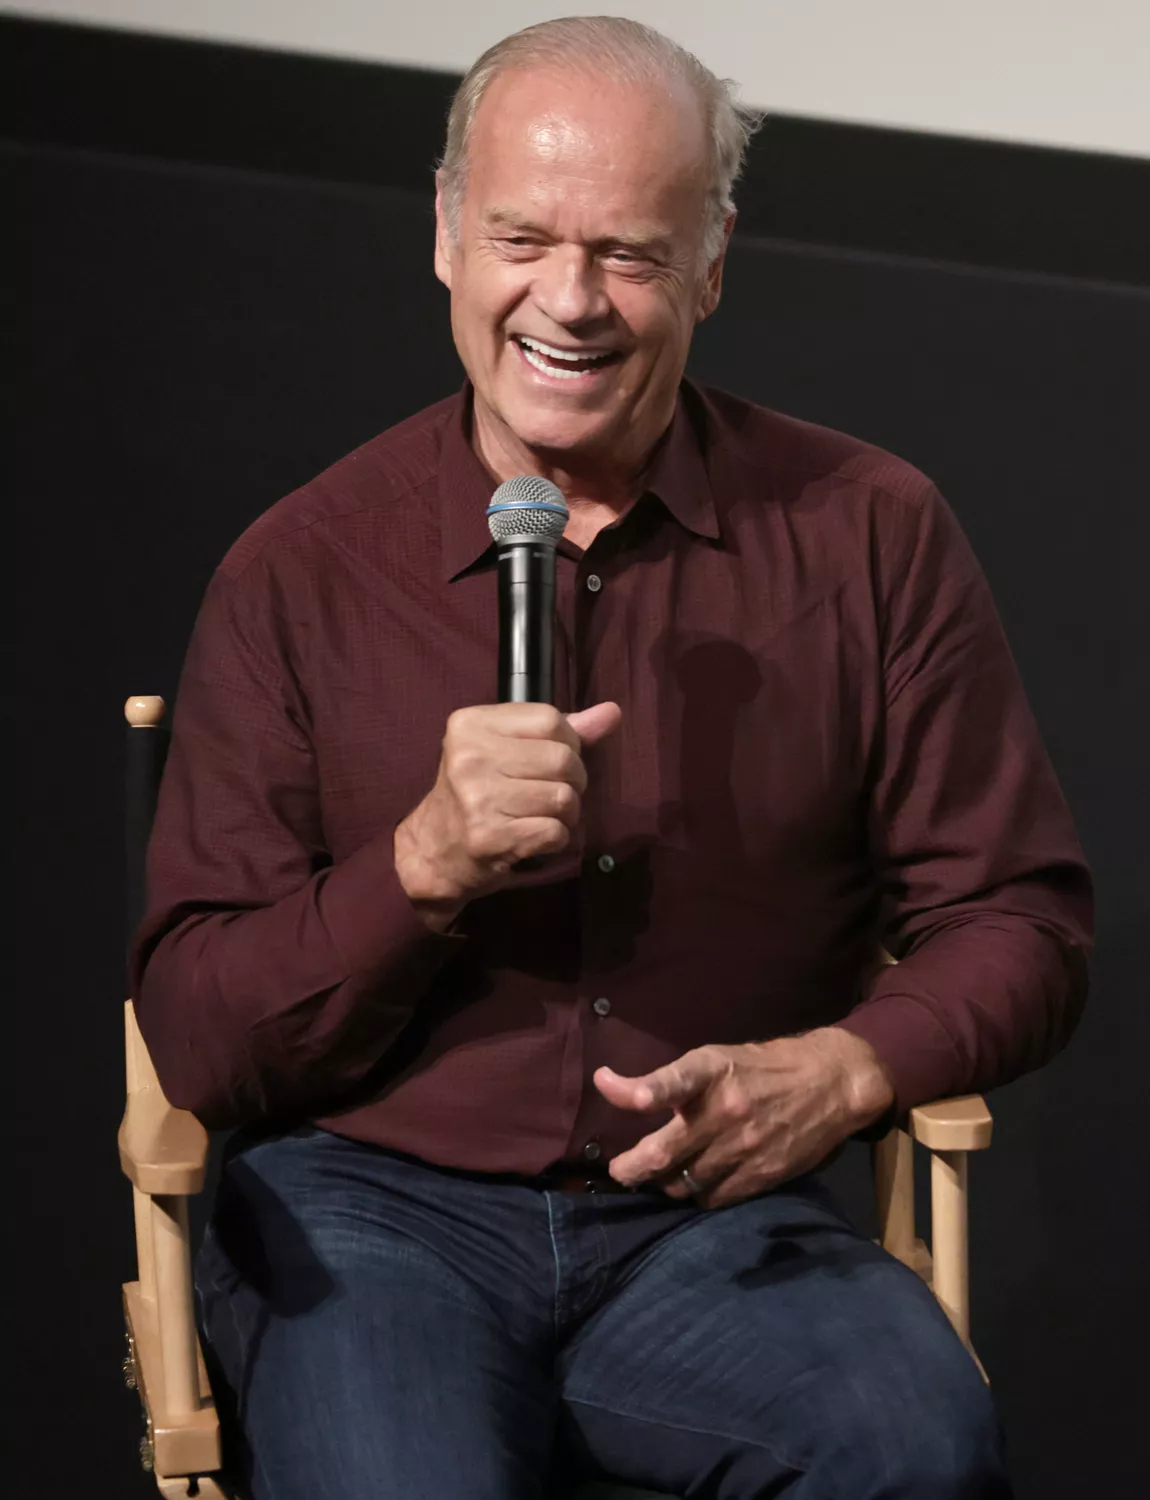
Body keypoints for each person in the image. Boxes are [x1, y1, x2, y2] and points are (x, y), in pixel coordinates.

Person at [132, 16, 1092, 1500]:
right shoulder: (300, 568)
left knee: (915, 1448)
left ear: (709, 266)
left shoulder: (868, 532)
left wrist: (845, 1068)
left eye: (629, 255)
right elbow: (198, 1027)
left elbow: (1019, 921)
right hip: (375, 1214)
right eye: (522, 237)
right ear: (449, 236)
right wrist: (418, 866)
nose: (565, 302)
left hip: (715, 1227)